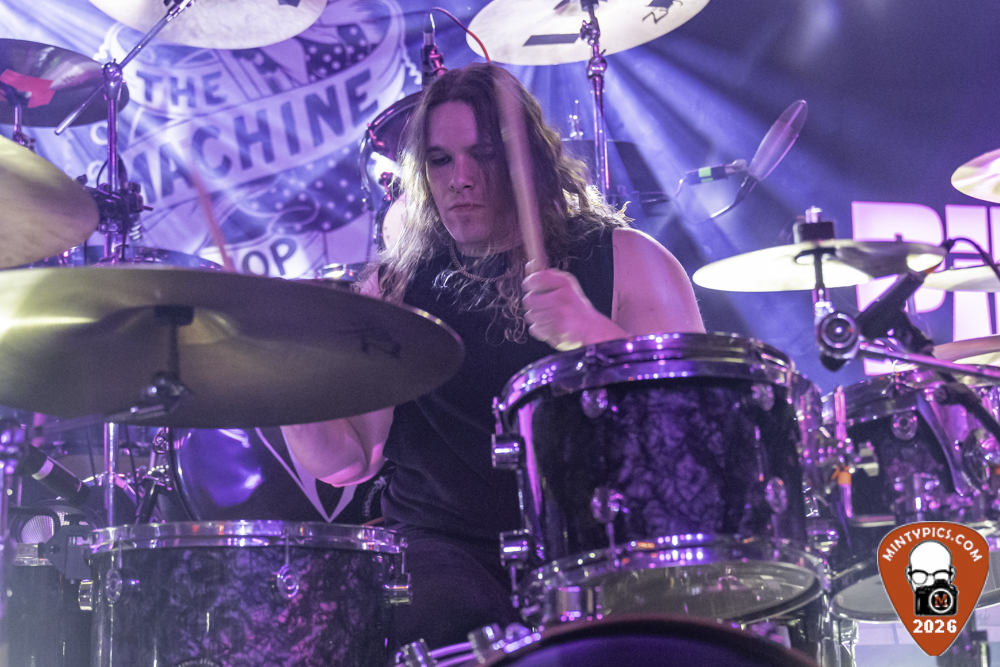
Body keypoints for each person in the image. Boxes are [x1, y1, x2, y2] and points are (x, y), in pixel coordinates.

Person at [282, 62, 704, 649]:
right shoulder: (395, 287)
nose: (461, 179)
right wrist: (284, 382)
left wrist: (592, 334)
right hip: (442, 551)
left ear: (529, 161)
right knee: (430, 608)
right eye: (440, 160)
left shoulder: (629, 259)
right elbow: (349, 464)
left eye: (483, 154)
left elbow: (695, 437)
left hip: (599, 545)